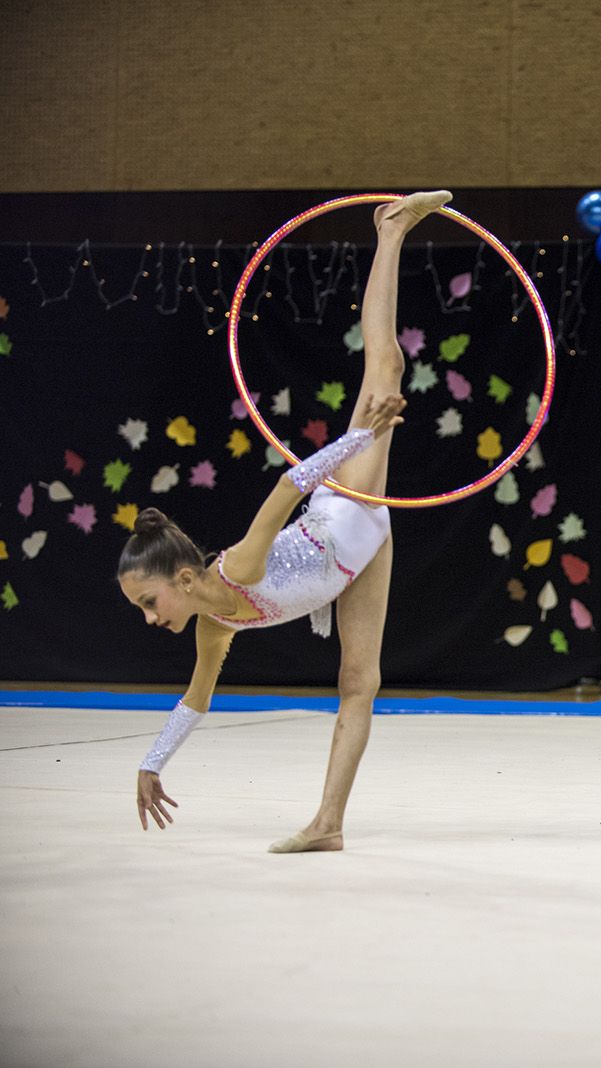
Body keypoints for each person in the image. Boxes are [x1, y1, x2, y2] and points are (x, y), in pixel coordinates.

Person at [116, 190, 452, 853]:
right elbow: (195, 700)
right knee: (359, 683)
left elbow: (291, 481)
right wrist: (152, 762)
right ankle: (328, 824)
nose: (150, 617)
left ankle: (388, 232)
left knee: (385, 368)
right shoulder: (211, 629)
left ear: (184, 576)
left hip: (344, 511)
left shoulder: (238, 567)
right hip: (362, 557)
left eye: (149, 602)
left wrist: (362, 440)